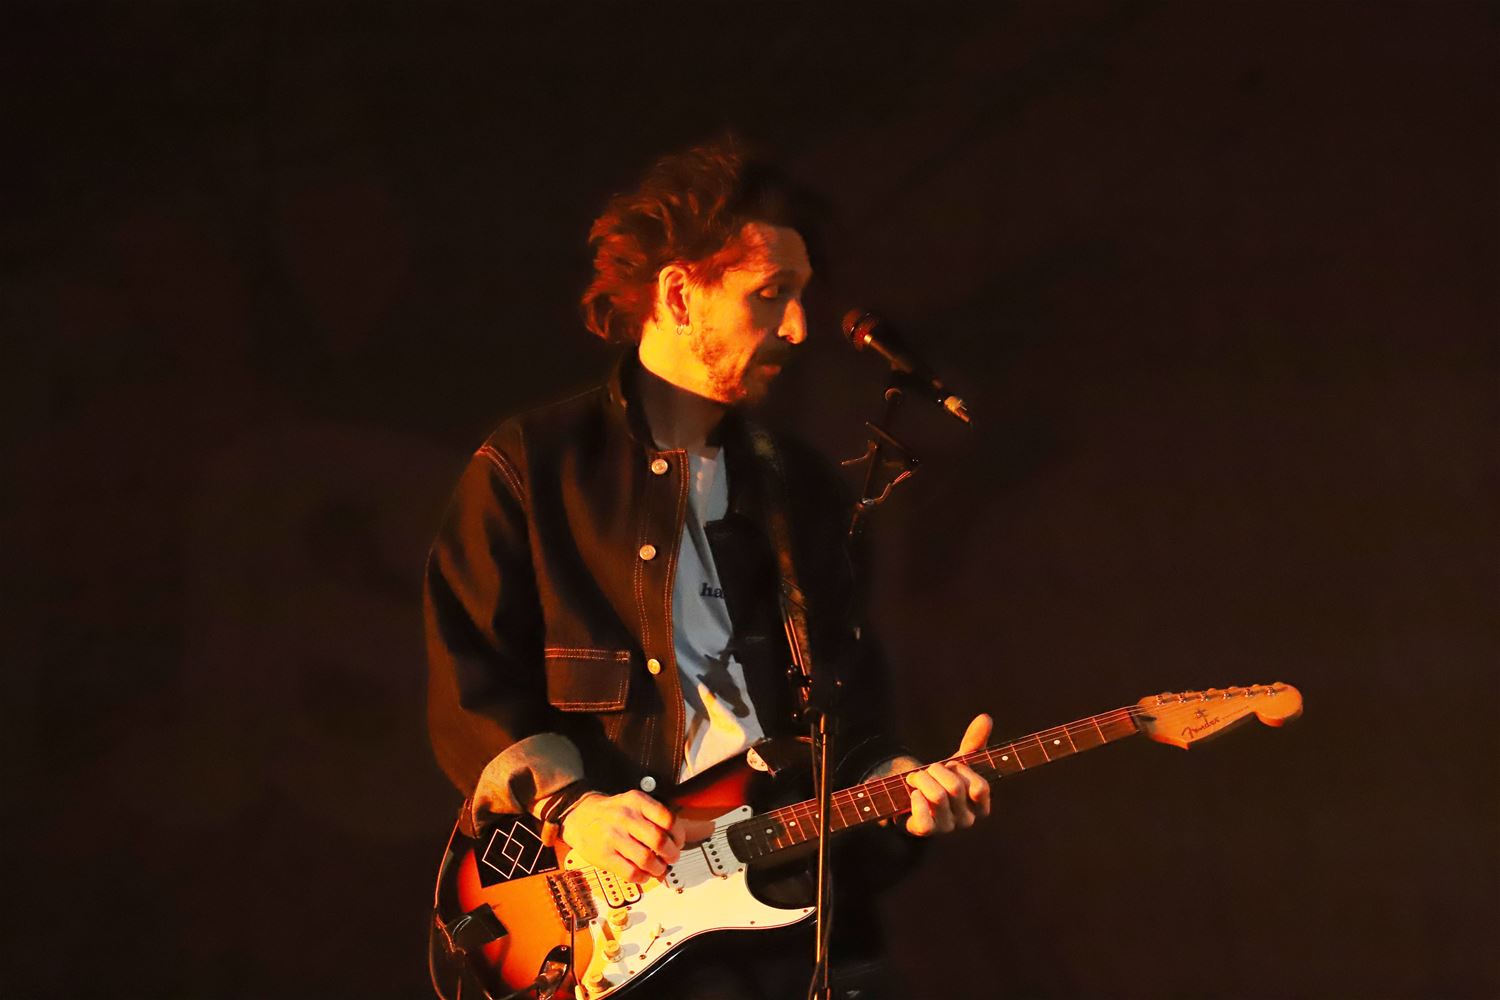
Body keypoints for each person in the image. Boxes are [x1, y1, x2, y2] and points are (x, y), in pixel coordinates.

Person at [424, 137, 991, 999]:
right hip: (607, 920)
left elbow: (847, 710)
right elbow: (470, 676)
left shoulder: (801, 490)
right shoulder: (533, 466)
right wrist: (575, 809)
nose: (797, 328)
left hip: (779, 914)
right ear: (680, 295)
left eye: (800, 296)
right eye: (770, 294)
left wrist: (895, 783)